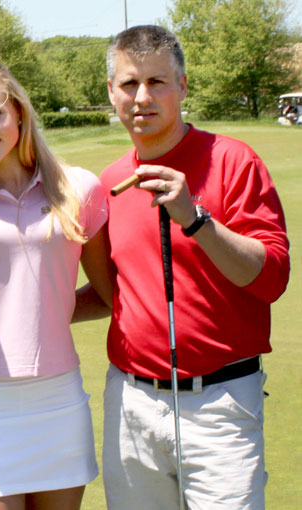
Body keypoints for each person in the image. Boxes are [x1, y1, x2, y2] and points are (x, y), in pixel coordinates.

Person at [101, 25, 290, 509]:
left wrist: (195, 218)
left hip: (219, 405)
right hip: (131, 406)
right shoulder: (110, 182)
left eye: (157, 82)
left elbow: (271, 279)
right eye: (129, 83)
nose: (142, 97)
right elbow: (113, 293)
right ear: (111, 92)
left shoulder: (233, 161)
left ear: (182, 87)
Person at [0, 57, 112, 510]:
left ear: (18, 110)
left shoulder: (79, 189)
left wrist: (46, 312)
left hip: (58, 399)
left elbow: (110, 295)